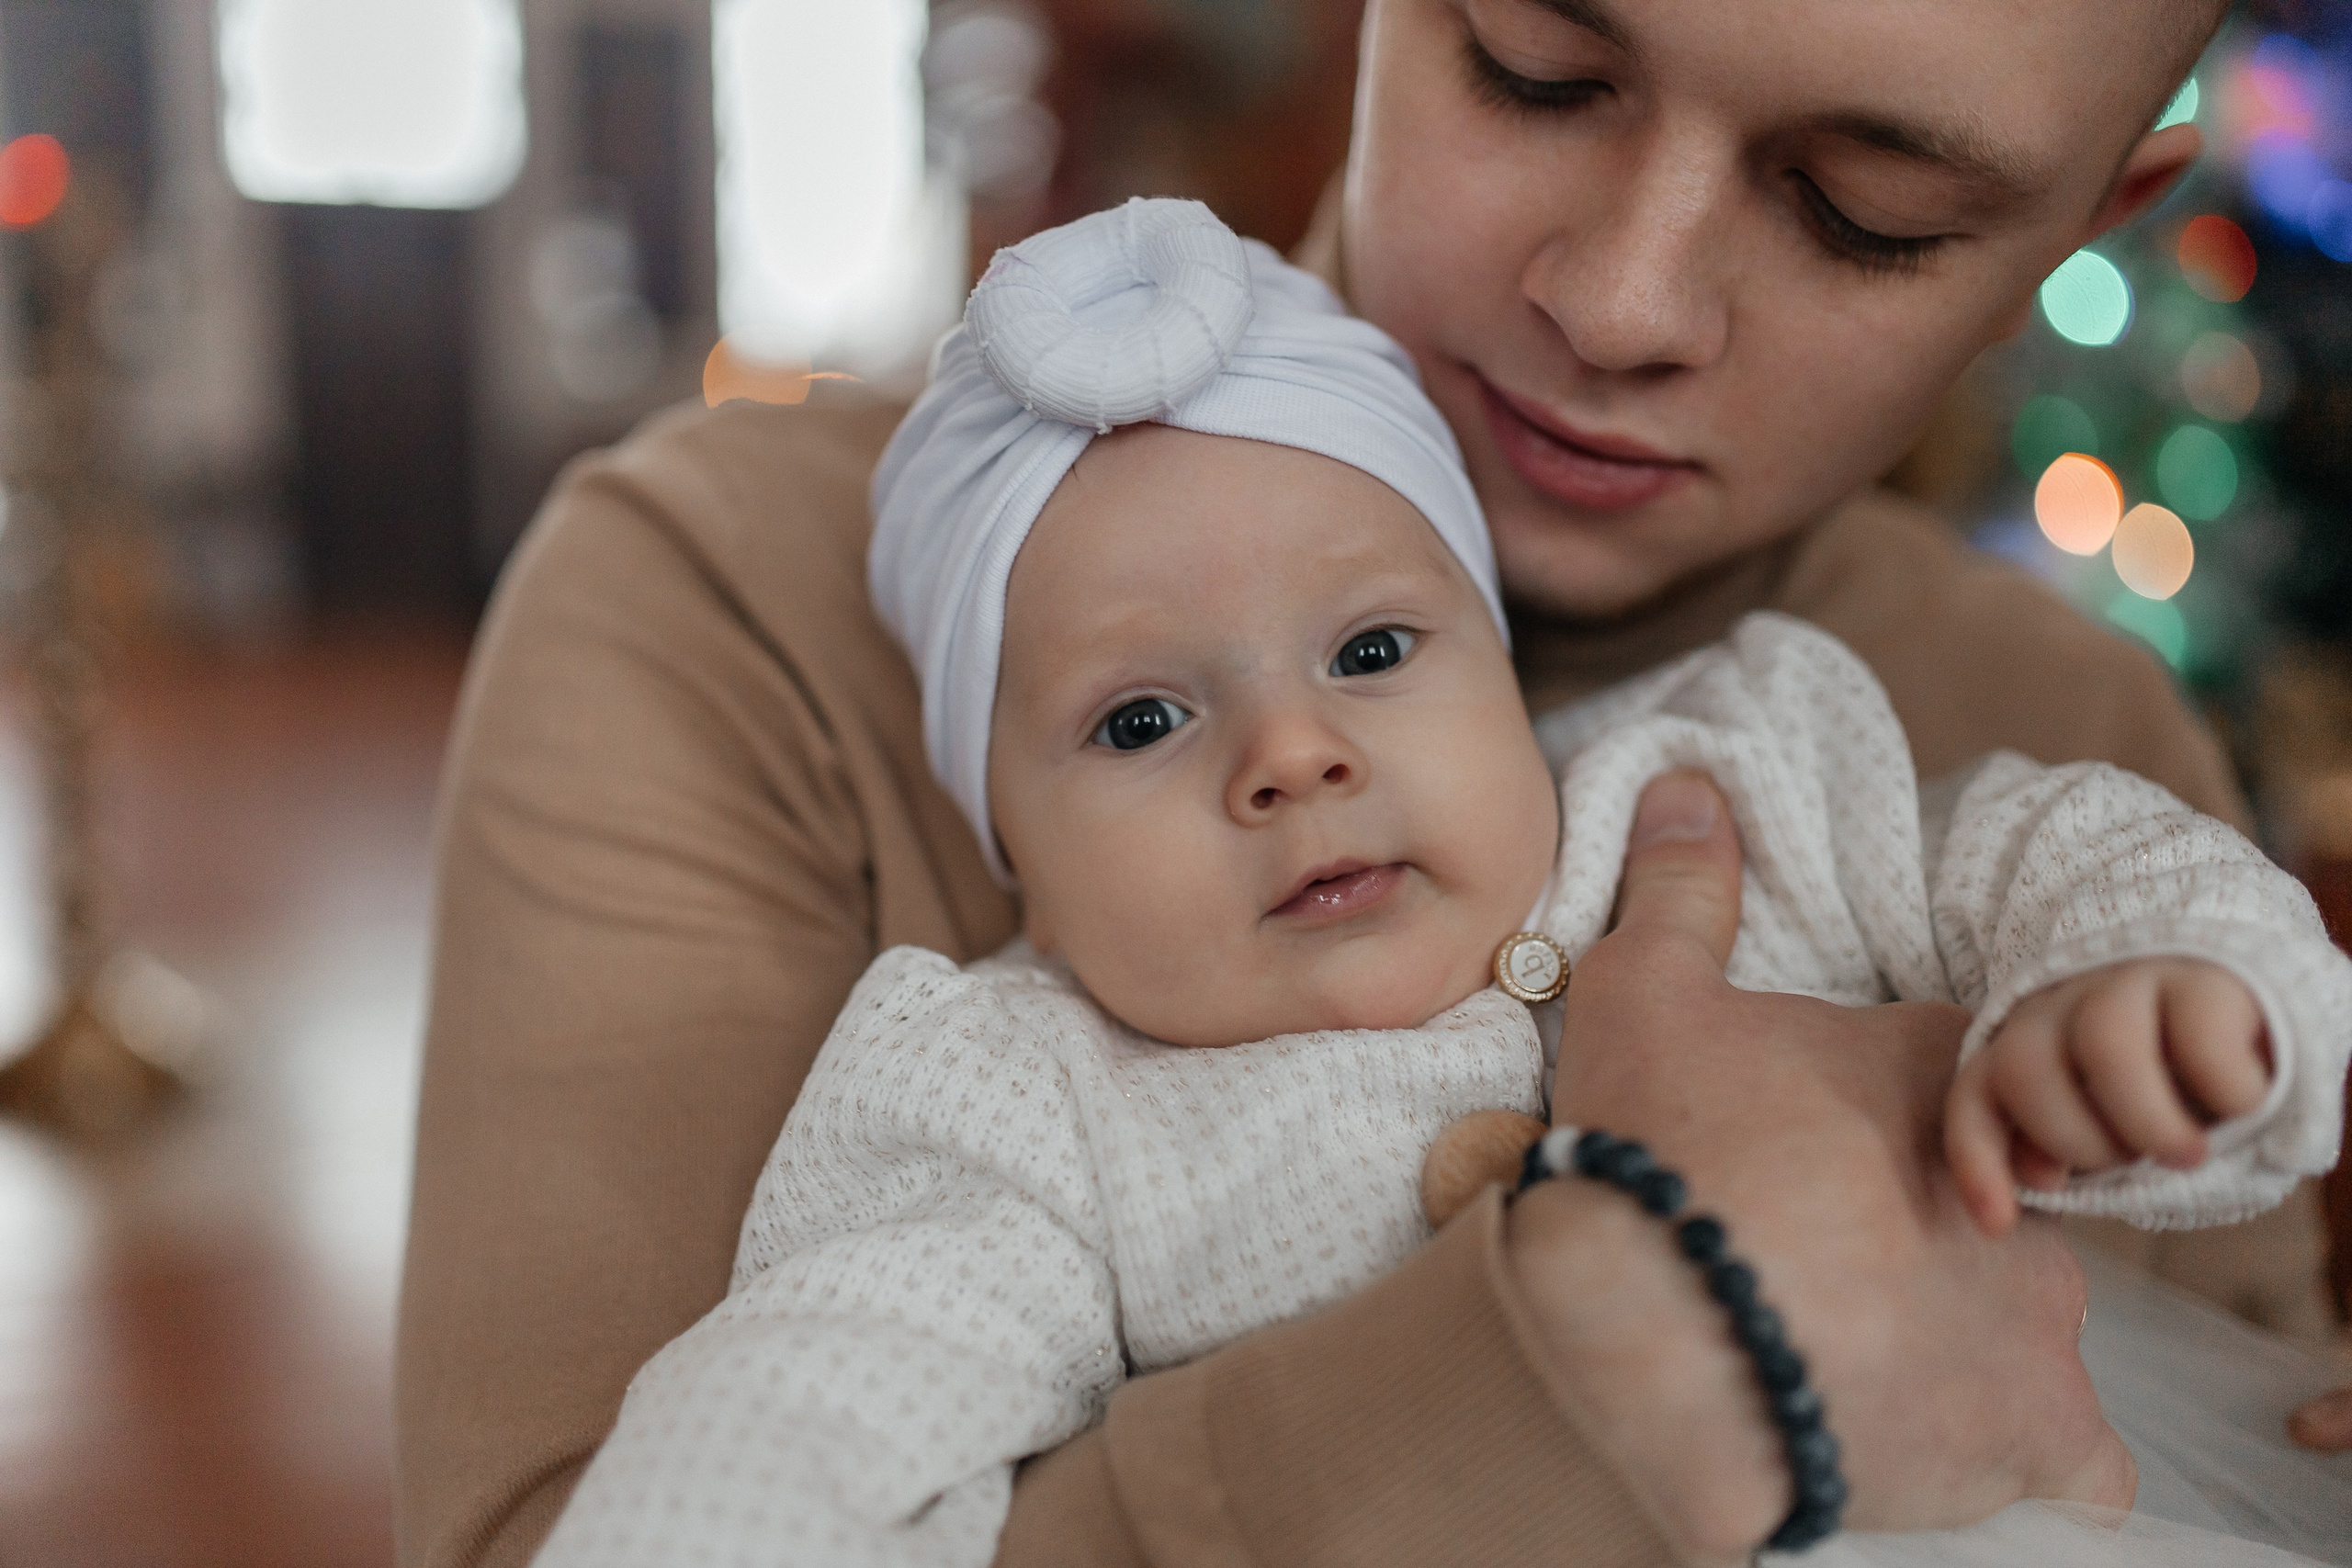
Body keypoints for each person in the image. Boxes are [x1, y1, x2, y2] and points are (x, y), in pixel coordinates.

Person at [394, 2, 2349, 1565]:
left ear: (2072, 234)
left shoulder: (2014, 728)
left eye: (1862, 209)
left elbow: (2244, 1375)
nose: (1619, 305)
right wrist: (1631, 1346)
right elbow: (719, 1467)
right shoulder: (742, 614)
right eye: (1534, 69)